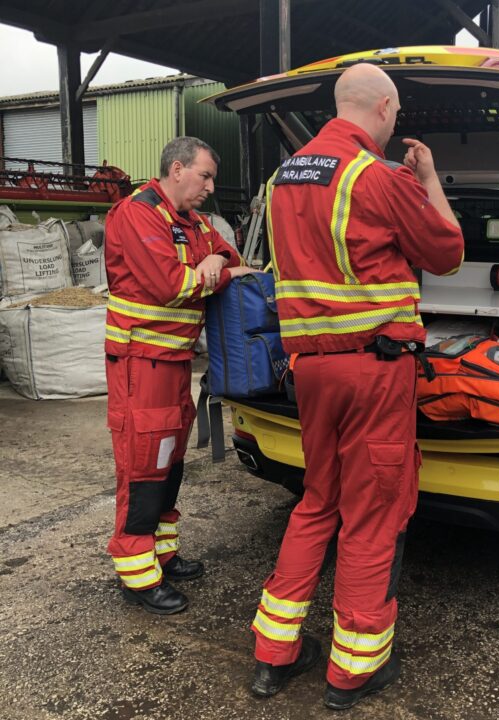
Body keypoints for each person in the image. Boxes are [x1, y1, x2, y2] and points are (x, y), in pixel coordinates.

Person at [249, 62, 464, 709]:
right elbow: (447, 251)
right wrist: (428, 179)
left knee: (319, 500)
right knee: (372, 515)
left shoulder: (283, 178)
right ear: (385, 107)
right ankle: (353, 671)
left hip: (311, 370)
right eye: (395, 113)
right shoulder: (378, 176)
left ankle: (273, 654)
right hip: (373, 372)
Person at [104, 136, 252, 615]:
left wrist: (216, 262)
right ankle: (136, 574)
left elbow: (232, 258)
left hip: (172, 365)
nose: (210, 186)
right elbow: (172, 286)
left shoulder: (192, 223)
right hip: (140, 364)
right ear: (176, 168)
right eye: (205, 175)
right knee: (142, 464)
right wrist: (212, 269)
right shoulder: (138, 213)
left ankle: (162, 553)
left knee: (169, 461)